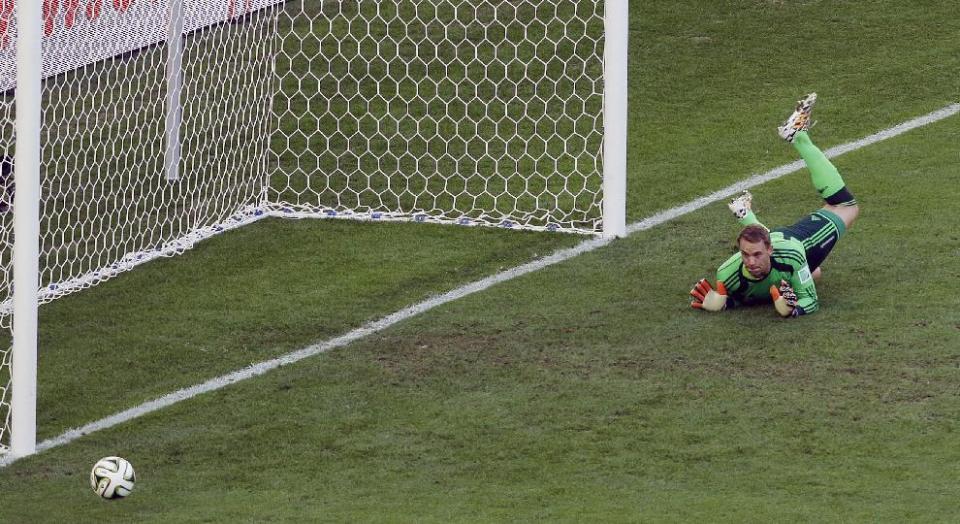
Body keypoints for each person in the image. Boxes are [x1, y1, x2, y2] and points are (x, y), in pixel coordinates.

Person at [690, 93, 859, 317]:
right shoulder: (726, 274)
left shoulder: (791, 256)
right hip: (785, 249)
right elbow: (744, 295)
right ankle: (796, 137)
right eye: (745, 255)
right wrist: (725, 303)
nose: (750, 262)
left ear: (769, 250)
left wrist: (794, 309)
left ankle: (800, 138)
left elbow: (810, 300)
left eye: (757, 255)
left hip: (801, 244)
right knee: (814, 273)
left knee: (844, 205)